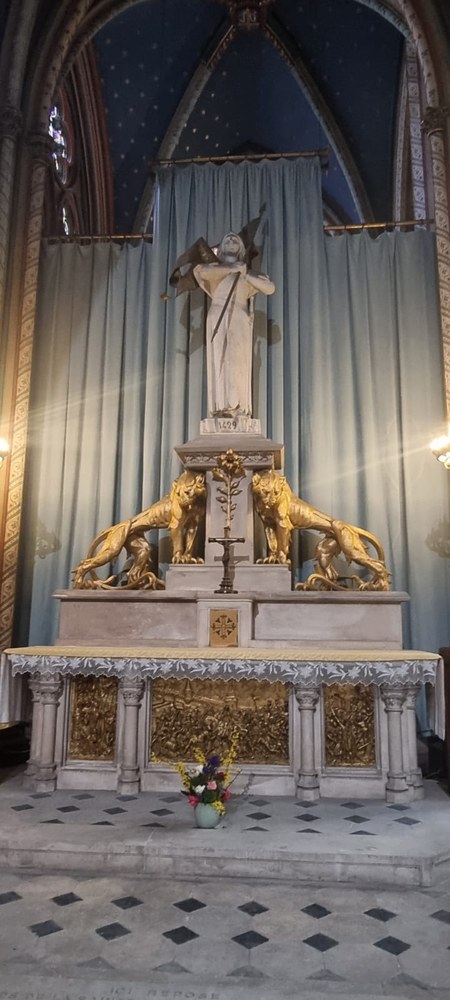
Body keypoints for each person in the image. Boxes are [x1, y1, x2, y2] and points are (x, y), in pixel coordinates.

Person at [194, 232, 275, 418]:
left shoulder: (247, 273)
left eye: (235, 240)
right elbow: (201, 272)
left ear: (241, 248)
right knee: (221, 359)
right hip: (218, 314)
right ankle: (221, 407)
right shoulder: (215, 269)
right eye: (227, 240)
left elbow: (269, 288)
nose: (231, 241)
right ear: (221, 248)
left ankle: (238, 406)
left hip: (239, 317)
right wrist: (231, 268)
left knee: (238, 360)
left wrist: (244, 273)